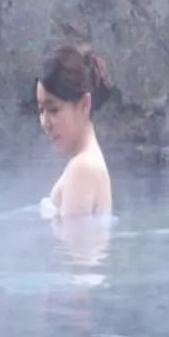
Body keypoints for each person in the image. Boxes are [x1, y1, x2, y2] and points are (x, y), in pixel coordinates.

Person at [36, 43, 114, 218]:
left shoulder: (82, 169)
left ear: (84, 104)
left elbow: (72, 244)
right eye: (41, 110)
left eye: (53, 110)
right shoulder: (89, 163)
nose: (44, 123)